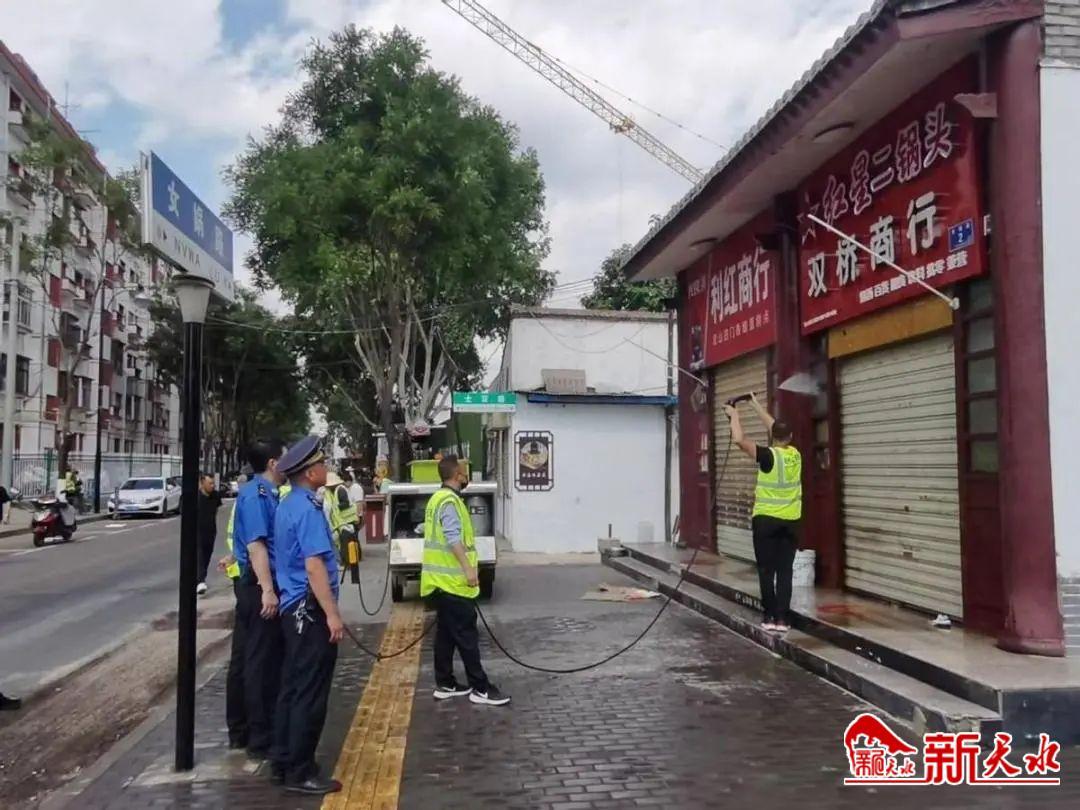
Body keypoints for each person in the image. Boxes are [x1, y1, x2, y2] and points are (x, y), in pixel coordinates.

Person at [271, 437, 344, 795]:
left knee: (292, 688)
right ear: (310, 473)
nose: (326, 468)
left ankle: (283, 760)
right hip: (310, 611)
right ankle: (301, 771)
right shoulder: (308, 509)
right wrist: (332, 615)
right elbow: (314, 566)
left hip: (293, 609)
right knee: (310, 694)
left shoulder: (288, 505)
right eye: (322, 464)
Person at [421, 455, 509, 707]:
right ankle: (480, 688)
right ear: (455, 475)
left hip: (439, 581)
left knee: (446, 636)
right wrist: (469, 569)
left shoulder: (436, 499)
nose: (466, 476)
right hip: (453, 582)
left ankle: (445, 683)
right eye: (463, 472)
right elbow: (452, 538)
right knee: (466, 635)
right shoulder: (449, 502)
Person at [725, 393, 803, 634]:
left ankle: (769, 616)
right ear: (790, 437)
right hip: (791, 522)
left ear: (773, 436)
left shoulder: (768, 456)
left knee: (766, 570)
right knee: (785, 571)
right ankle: (783, 619)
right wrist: (755, 404)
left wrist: (734, 414)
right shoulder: (795, 455)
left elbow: (739, 440)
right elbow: (776, 428)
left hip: (766, 521)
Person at [232, 439, 287, 760]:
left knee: (255, 658)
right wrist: (267, 588)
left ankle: (249, 731)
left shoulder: (266, 493)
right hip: (257, 587)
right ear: (272, 463)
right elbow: (256, 545)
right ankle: (259, 736)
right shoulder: (256, 496)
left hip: (257, 583)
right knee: (259, 662)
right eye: (284, 458)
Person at [196, 474, 223, 595]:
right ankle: (200, 580)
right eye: (210, 483)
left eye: (213, 483)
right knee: (199, 555)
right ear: (202, 483)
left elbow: (215, 510)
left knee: (207, 554)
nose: (212, 486)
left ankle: (201, 578)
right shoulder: (197, 497)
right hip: (197, 530)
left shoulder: (216, 496)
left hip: (211, 530)